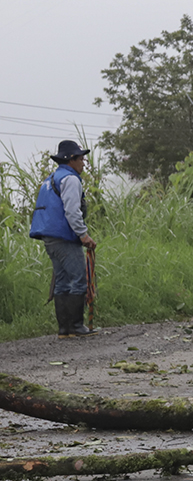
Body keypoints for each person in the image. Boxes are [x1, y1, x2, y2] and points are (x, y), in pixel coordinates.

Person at [29, 139, 98, 337]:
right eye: (81, 159)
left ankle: (64, 329)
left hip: (49, 238)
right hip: (64, 238)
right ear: (71, 160)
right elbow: (72, 211)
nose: (83, 163)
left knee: (62, 281)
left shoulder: (51, 179)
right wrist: (83, 235)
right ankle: (76, 326)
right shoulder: (71, 179)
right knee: (78, 280)